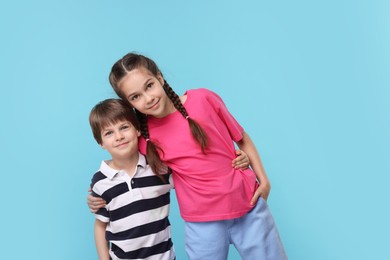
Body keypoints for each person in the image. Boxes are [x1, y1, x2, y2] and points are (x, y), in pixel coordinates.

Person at [89, 53, 287, 259]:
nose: (148, 98)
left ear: (160, 78)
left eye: (149, 85)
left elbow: (241, 137)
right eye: (135, 97)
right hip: (202, 224)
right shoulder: (144, 139)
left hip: (249, 208)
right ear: (129, 103)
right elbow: (127, 168)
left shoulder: (203, 99)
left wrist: (263, 180)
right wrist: (96, 195)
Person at [88, 98, 176, 260]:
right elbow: (101, 225)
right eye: (109, 133)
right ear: (101, 143)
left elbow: (192, 179)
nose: (119, 136)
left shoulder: (159, 167)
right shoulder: (101, 181)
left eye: (124, 127)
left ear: (137, 130)